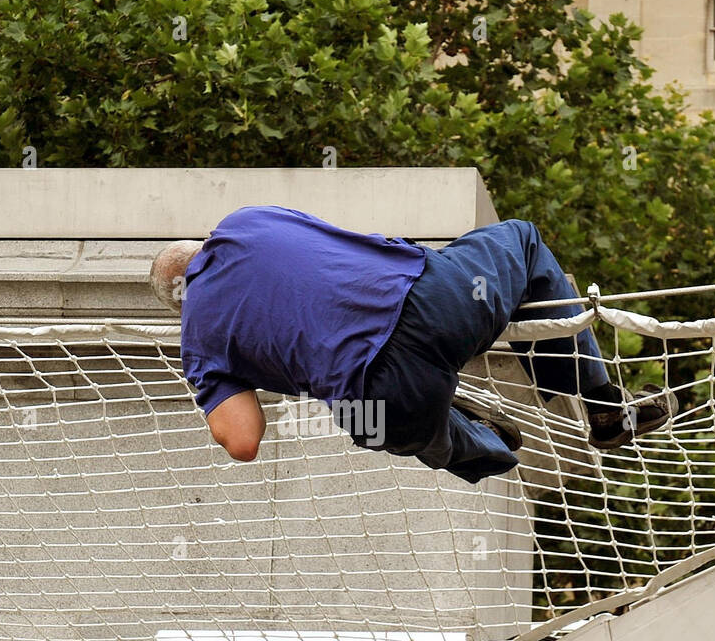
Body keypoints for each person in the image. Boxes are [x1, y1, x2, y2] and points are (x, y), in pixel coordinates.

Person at [151, 205, 674, 484]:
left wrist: (227, 373)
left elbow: (242, 441)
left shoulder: (198, 343)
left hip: (377, 396)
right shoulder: (245, 223)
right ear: (201, 248)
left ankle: (484, 446)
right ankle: (605, 407)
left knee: (377, 425)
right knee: (521, 239)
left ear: (181, 306)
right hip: (432, 303)